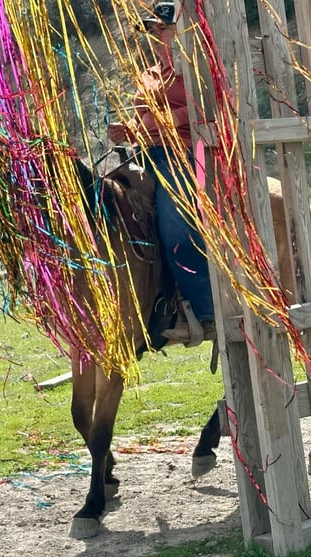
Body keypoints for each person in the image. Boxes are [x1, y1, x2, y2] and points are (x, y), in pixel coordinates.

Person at [107, 1, 215, 346]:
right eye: (152, 30)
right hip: (147, 155)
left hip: (183, 155)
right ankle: (149, 303)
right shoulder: (150, 74)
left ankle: (205, 312)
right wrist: (128, 129)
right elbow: (145, 122)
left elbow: (211, 107)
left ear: (180, 31)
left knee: (175, 231)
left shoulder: (197, 69)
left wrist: (173, 119)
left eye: (161, 28)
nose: (156, 36)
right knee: (115, 212)